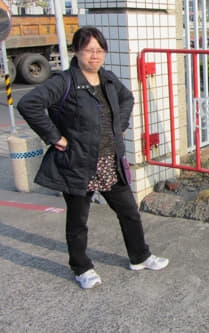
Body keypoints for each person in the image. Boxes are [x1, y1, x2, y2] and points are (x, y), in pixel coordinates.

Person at [17, 26, 168, 289]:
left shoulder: (107, 78)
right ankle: (81, 267)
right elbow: (28, 104)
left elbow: (127, 98)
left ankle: (139, 256)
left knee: (129, 211)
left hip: (109, 161)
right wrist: (55, 137)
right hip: (78, 164)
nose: (94, 55)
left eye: (99, 50)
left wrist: (119, 125)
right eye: (88, 50)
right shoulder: (63, 82)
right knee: (78, 220)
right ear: (76, 51)